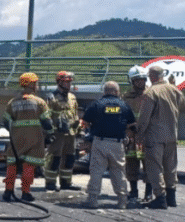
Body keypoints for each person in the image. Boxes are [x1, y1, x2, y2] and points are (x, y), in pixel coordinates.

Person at [135, 65, 185, 209]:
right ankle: (172, 197)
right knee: (171, 167)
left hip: (155, 136)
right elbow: (182, 103)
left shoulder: (151, 92)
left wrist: (139, 134)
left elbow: (144, 117)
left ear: (151, 76)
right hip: (171, 135)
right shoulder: (173, 89)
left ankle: (160, 198)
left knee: (155, 167)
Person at [80, 81, 136, 209]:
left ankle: (93, 200)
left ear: (104, 91)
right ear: (117, 92)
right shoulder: (124, 105)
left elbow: (86, 122)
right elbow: (131, 125)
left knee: (96, 171)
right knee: (119, 172)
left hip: (100, 142)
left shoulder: (96, 104)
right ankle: (122, 201)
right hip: (117, 144)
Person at [2, 72, 54, 202]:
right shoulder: (39, 102)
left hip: (16, 140)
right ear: (32, 84)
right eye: (36, 83)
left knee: (12, 164)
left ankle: (8, 191)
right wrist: (52, 131)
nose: (37, 85)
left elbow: (6, 121)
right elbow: (47, 123)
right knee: (29, 165)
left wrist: (16, 131)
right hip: (34, 139)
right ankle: (25, 192)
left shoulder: (12, 102)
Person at [44, 71, 81, 192]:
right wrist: (48, 133)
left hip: (70, 133)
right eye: (66, 82)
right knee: (54, 158)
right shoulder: (52, 97)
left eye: (70, 82)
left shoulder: (72, 97)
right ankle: (50, 182)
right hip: (57, 134)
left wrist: (78, 128)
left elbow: (75, 114)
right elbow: (47, 116)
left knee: (70, 158)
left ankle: (66, 182)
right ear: (59, 82)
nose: (69, 85)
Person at [123, 65, 151, 202]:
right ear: (132, 82)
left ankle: (148, 193)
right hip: (131, 138)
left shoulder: (151, 95)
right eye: (137, 80)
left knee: (148, 165)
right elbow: (120, 115)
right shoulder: (126, 97)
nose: (140, 82)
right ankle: (133, 191)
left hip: (145, 138)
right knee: (131, 164)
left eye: (142, 79)